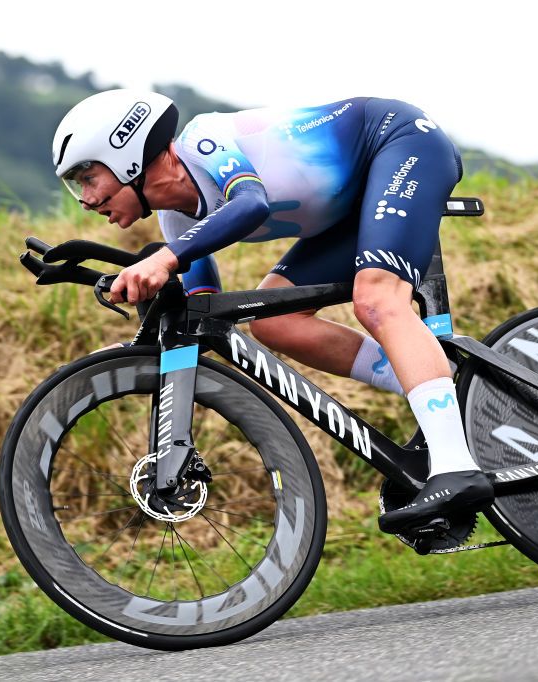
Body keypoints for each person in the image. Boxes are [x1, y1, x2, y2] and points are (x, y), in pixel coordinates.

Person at [51, 89, 493, 532]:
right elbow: (202, 315)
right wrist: (147, 343)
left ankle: (455, 465)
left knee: (376, 298)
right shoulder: (178, 223)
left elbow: (249, 203)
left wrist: (165, 259)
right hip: (354, 204)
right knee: (273, 323)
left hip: (397, 143)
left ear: (126, 155)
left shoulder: (205, 139)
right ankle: (453, 401)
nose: (85, 200)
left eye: (86, 179)